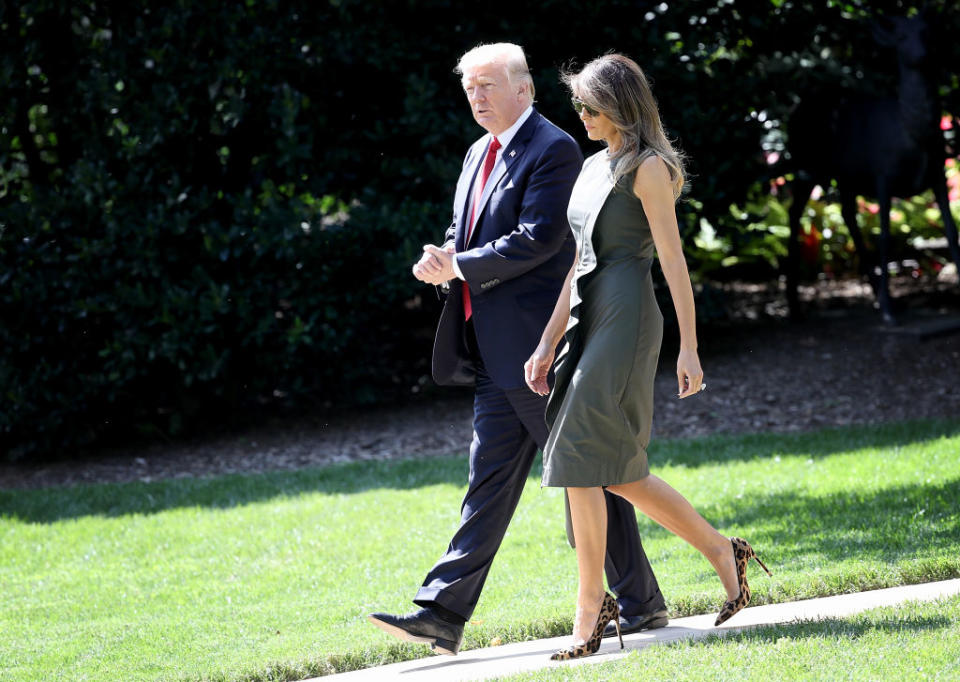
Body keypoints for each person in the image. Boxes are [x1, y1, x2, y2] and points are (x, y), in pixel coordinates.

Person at [368, 43, 669, 657]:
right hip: (492, 353)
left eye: (487, 86)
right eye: (468, 88)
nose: (476, 98)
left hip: (541, 348)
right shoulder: (479, 151)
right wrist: (444, 257)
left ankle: (641, 599)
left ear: (523, 89)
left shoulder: (554, 148)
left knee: (594, 473)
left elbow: (538, 239)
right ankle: (441, 612)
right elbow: (469, 230)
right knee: (490, 481)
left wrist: (461, 264)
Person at [524, 54, 772, 661]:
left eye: (591, 106)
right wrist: (546, 341)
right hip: (587, 314)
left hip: (628, 317)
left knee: (582, 453)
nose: (580, 115)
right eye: (578, 105)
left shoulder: (650, 168)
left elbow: (674, 261)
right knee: (612, 469)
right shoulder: (589, 166)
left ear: (622, 108)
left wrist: (689, 345)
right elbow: (576, 262)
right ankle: (721, 550)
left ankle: (589, 608)